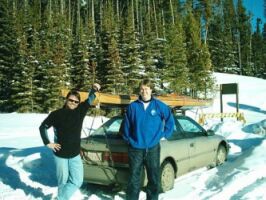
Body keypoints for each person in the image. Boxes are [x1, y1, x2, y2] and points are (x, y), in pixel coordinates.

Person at [39, 83, 100, 200]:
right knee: (62, 182)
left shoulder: (80, 111)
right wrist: (47, 142)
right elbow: (43, 127)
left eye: (76, 101)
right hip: (60, 154)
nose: (73, 103)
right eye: (71, 100)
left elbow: (90, 98)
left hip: (75, 154)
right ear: (66, 100)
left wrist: (94, 89)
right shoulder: (56, 114)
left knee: (77, 181)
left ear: (78, 103)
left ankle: (60, 198)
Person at [123, 79, 174, 200]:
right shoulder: (132, 107)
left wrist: (164, 135)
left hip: (152, 148)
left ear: (151, 90)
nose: (144, 91)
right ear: (139, 91)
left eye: (146, 89)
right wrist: (129, 140)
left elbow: (170, 121)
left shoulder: (159, 106)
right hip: (135, 149)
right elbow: (126, 126)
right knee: (133, 180)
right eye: (142, 89)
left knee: (153, 178)